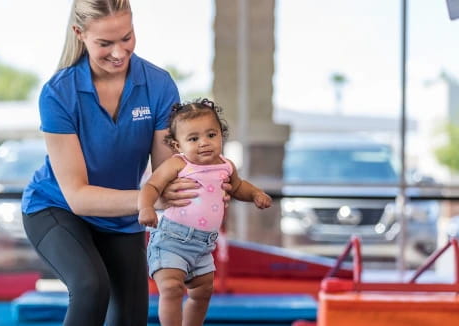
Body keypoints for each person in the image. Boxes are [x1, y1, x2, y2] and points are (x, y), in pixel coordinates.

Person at [20, 1, 214, 325]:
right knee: (91, 287)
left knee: (130, 317)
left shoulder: (159, 85)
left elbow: (168, 170)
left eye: (126, 37)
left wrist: (210, 185)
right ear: (79, 34)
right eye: (105, 43)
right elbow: (78, 197)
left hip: (123, 216)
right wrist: (150, 198)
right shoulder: (58, 93)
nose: (119, 52)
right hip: (57, 208)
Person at [137, 98, 272, 326]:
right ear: (178, 146)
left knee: (203, 292)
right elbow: (151, 186)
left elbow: (238, 187)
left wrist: (256, 194)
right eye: (193, 138)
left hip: (204, 245)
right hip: (172, 239)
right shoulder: (178, 164)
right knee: (171, 287)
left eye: (212, 135)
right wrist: (146, 208)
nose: (204, 143)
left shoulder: (226, 165)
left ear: (221, 135)